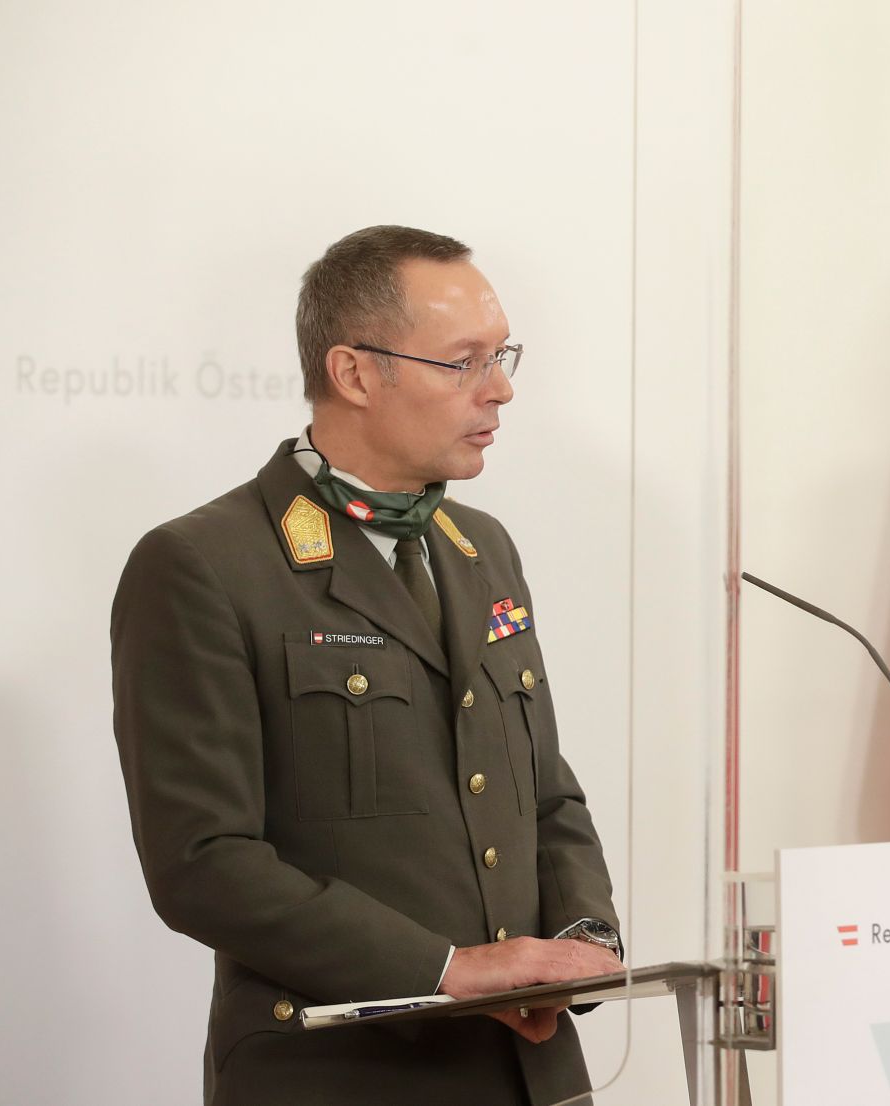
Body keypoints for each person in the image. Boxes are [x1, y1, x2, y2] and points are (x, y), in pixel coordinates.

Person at [111, 225, 625, 1105]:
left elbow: (545, 792)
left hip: (530, 1073)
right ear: (354, 373)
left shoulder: (480, 548)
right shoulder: (206, 563)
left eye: (503, 357)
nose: (499, 390)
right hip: (343, 1073)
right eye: (464, 362)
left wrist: (580, 941)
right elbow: (202, 862)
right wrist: (443, 969)